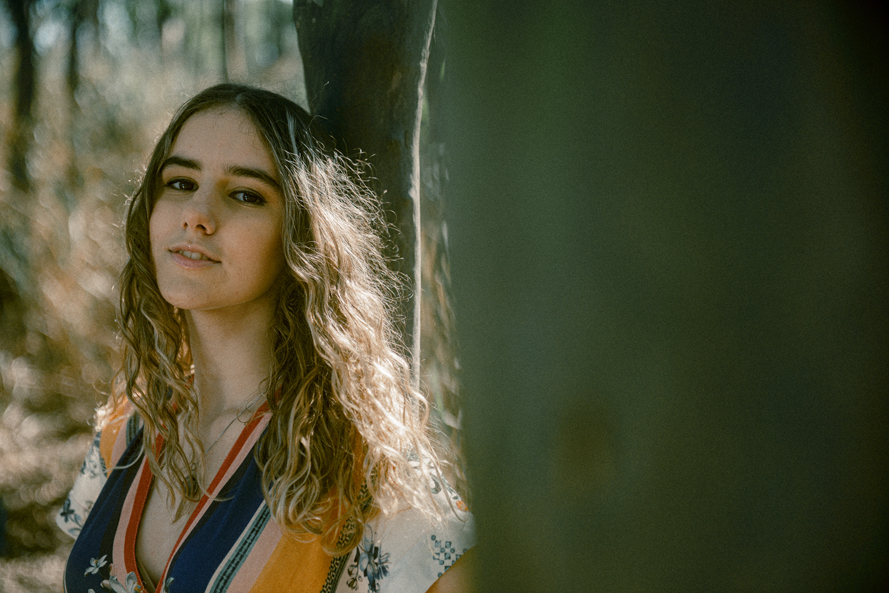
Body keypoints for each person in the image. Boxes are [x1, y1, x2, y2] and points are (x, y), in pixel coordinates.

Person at [56, 83, 474, 593]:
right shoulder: (128, 425)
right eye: (181, 182)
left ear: (302, 234)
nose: (197, 214)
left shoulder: (366, 462)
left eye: (246, 194)